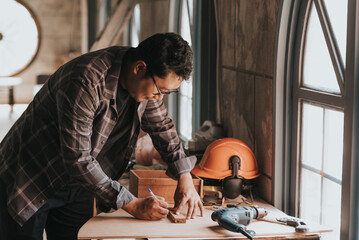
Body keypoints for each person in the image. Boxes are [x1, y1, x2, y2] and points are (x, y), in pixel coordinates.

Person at [0, 32, 203, 240]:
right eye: (161, 90)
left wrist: (184, 176)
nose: (159, 97)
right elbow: (78, 159)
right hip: (33, 176)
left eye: (168, 93)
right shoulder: (85, 81)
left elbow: (162, 127)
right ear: (139, 68)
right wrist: (131, 204)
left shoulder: (145, 85)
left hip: (81, 184)